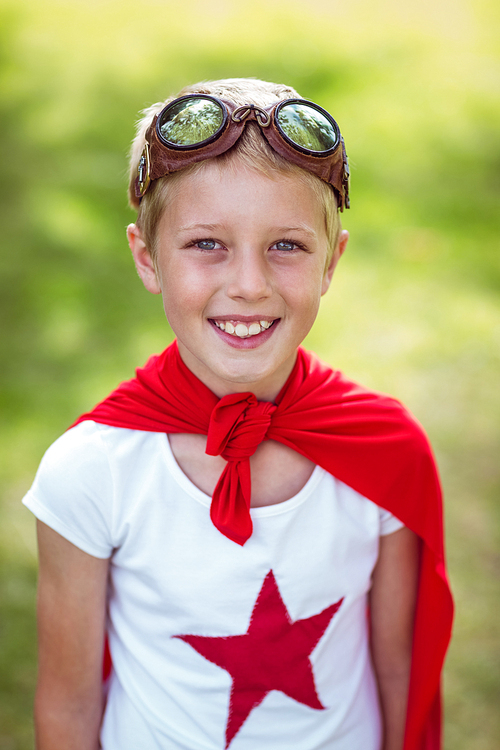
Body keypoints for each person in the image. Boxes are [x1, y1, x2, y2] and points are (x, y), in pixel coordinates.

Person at [23, 78, 453, 750]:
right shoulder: (92, 471)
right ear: (146, 257)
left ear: (330, 264)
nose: (248, 284)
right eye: (206, 245)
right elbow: (68, 708)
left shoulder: (385, 451)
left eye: (286, 245)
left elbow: (396, 668)